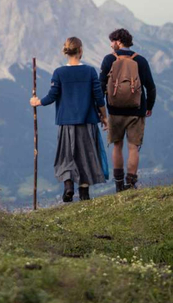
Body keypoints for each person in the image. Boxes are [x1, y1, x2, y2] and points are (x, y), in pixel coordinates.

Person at [30, 37, 108, 202]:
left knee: (66, 155)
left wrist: (37, 102)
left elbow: (52, 96)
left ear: (66, 52)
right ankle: (84, 192)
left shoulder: (59, 72)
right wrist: (104, 117)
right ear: (81, 50)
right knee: (85, 155)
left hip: (66, 123)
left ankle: (68, 186)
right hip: (87, 121)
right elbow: (99, 97)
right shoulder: (90, 71)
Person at [99, 28, 156, 192]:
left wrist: (102, 109)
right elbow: (150, 87)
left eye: (112, 41)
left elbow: (101, 85)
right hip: (136, 111)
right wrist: (149, 106)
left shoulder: (108, 59)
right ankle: (130, 183)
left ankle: (118, 185)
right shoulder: (141, 60)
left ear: (118, 41)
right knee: (133, 147)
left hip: (115, 110)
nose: (111, 45)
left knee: (117, 146)